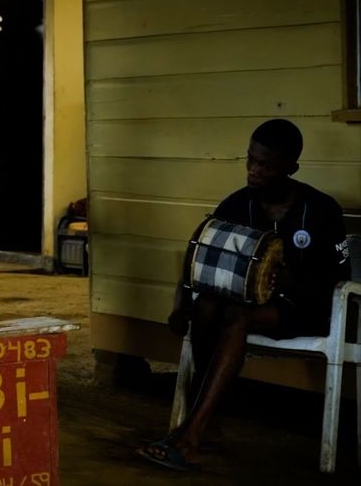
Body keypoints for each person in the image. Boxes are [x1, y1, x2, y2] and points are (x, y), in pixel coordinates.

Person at [138, 118, 348, 471]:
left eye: (265, 165)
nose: (254, 170)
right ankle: (207, 422)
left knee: (236, 316)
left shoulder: (321, 210)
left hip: (305, 309)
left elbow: (337, 280)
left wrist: (286, 280)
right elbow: (198, 261)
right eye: (250, 160)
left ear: (290, 168)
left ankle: (190, 437)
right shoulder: (237, 205)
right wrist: (179, 306)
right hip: (247, 305)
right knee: (206, 306)